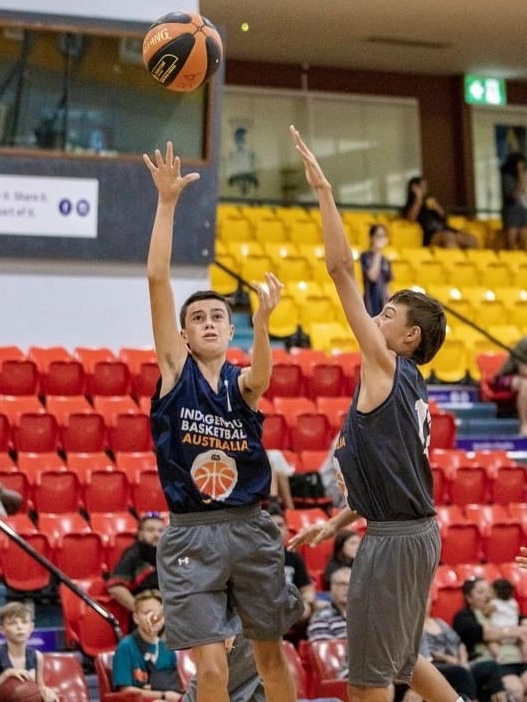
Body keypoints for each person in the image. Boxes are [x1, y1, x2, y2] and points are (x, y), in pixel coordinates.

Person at [288, 125, 461, 702]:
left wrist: (324, 190)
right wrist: (336, 523)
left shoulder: (387, 366)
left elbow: (341, 272)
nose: (375, 319)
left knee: (367, 678)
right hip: (412, 531)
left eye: (386, 314)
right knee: (406, 659)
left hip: (395, 539)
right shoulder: (407, 381)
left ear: (408, 336)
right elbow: (387, 479)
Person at [142, 141, 303, 702]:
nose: (209, 323)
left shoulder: (242, 383)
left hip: (251, 525)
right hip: (192, 530)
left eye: (218, 316)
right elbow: (158, 282)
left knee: (272, 662)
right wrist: (167, 204)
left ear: (228, 331)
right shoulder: (173, 372)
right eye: (199, 318)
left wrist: (262, 323)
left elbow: (262, 377)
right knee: (210, 671)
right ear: (184, 334)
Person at [422, 592, 508, 702]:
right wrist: (451, 660)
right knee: (460, 672)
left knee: (491, 666)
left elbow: (459, 643)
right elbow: (427, 656)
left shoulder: (439, 622)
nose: (425, 602)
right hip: (438, 667)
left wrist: (463, 662)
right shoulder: (415, 628)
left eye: (427, 598)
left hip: (459, 663)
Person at [453, 576, 527, 702]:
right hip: (494, 664)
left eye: (488, 591)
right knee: (516, 690)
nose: (487, 596)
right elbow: (486, 633)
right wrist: (514, 631)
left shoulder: (500, 610)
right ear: (469, 598)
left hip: (518, 660)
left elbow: (524, 623)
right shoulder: (464, 617)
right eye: (481, 592)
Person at [112, 589, 184, 701]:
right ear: (136, 617)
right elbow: (126, 692)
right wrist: (162, 695)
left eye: (158, 614)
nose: (154, 618)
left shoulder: (168, 649)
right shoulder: (125, 647)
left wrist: (152, 690)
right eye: (147, 613)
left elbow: (174, 689)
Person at [268, 504, 317, 645]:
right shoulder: (253, 557)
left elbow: (306, 588)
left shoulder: (294, 557)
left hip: (291, 608)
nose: (277, 529)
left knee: (319, 607)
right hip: (266, 609)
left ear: (287, 529)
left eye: (280, 525)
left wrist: (307, 603)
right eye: (272, 525)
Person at [106, 512, 165, 614]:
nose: (157, 534)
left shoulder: (171, 554)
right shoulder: (133, 554)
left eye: (161, 531)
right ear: (140, 534)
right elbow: (116, 587)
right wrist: (140, 611)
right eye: (151, 530)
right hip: (147, 613)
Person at [0, 601, 59, 702]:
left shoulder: (37, 656)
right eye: (12, 623)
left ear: (31, 627)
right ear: (2, 629)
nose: (19, 627)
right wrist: (5, 675)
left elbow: (39, 687)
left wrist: (46, 692)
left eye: (24, 622)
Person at [403, 176, 478, 248]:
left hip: (445, 229)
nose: (425, 189)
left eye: (425, 186)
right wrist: (418, 199)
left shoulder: (430, 202)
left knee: (471, 239)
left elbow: (445, 218)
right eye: (422, 186)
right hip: (430, 235)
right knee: (448, 237)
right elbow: (411, 219)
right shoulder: (411, 205)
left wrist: (437, 208)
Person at [490, 335, 527, 436]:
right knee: (525, 384)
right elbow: (523, 370)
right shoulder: (525, 343)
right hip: (505, 377)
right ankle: (524, 425)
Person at [485, 579, 527, 663]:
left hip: (499, 633)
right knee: (523, 640)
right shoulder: (514, 603)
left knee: (491, 642)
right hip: (514, 632)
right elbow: (517, 614)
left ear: (495, 592)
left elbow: (485, 613)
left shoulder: (493, 603)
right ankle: (525, 656)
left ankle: (498, 656)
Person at [307, 566, 350, 643]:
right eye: (342, 584)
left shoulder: (366, 616)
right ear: (332, 587)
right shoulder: (321, 617)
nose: (347, 588)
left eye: (351, 584)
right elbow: (323, 651)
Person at [360, 224, 392, 316]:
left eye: (383, 236)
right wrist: (378, 252)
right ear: (371, 238)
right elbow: (372, 276)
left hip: (382, 304)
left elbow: (387, 285)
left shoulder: (386, 260)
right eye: (378, 236)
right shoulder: (365, 256)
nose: (381, 239)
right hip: (369, 302)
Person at [499, 152, 527, 250]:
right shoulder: (508, 177)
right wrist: (520, 175)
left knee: (523, 238)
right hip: (511, 211)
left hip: (522, 210)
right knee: (512, 240)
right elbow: (515, 195)